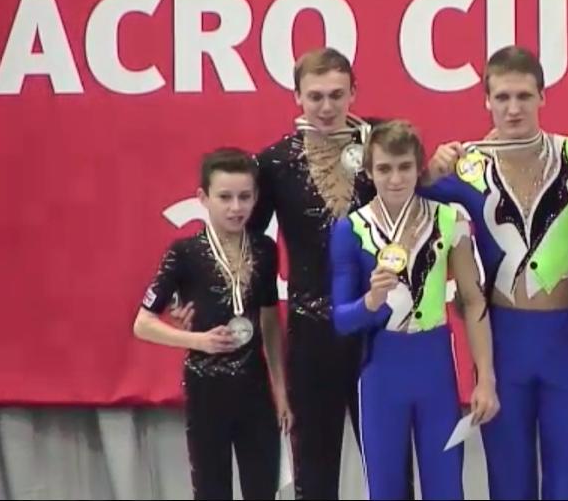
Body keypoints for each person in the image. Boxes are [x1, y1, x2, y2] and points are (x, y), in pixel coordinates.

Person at [420, 45, 568, 500]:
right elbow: (401, 207)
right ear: (486, 99)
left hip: (566, 337)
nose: (513, 108)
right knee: (509, 480)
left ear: (543, 96)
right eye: (502, 97)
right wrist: (427, 172)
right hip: (504, 339)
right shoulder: (465, 164)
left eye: (523, 95)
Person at [241, 48, 412, 499]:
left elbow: (421, 210)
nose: (327, 107)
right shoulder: (275, 162)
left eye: (337, 95)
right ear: (296, 95)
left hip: (381, 328)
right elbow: (253, 246)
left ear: (354, 92)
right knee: (314, 470)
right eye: (315, 96)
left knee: (390, 465)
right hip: (312, 333)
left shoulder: (382, 148)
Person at [330, 121, 500, 499]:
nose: (395, 179)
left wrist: (485, 378)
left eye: (404, 167)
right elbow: (341, 319)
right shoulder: (351, 229)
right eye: (384, 169)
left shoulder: (448, 219)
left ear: (418, 167)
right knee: (387, 489)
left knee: (445, 488)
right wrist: (370, 302)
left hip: (435, 367)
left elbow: (473, 301)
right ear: (369, 171)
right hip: (380, 372)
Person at [133, 148, 290, 500]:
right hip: (206, 386)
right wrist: (197, 339)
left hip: (255, 386)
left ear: (256, 198)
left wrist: (280, 389)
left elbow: (269, 320)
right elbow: (142, 324)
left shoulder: (264, 249)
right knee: (211, 489)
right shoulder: (184, 253)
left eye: (245, 197)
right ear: (203, 198)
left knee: (263, 487)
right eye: (225, 197)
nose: (236, 207)